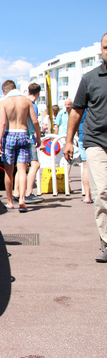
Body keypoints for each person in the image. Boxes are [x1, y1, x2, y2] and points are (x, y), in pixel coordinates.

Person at [64, 32, 107, 263]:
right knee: (102, 192)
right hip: (96, 141)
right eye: (106, 47)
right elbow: (77, 110)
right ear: (101, 50)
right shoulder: (91, 78)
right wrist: (69, 140)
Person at [0, 80, 41, 212]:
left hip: (9, 135)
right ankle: (22, 199)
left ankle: (10, 202)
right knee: (22, 170)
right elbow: (35, 121)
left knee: (9, 171)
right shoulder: (27, 101)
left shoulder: (4, 102)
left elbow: (3, 124)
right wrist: (38, 137)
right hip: (23, 134)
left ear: (6, 90)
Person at [13, 83, 45, 204]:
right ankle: (28, 193)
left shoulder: (22, 103)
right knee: (35, 165)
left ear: (28, 91)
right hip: (29, 138)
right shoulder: (33, 106)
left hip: (20, 136)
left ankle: (16, 193)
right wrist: (38, 138)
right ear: (38, 93)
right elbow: (34, 123)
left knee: (22, 166)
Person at [56, 99, 73, 187]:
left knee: (70, 157)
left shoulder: (73, 113)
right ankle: (61, 175)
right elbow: (57, 126)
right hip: (61, 137)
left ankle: (67, 174)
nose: (67, 106)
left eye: (69, 104)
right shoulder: (61, 113)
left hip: (71, 136)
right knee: (61, 156)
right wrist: (55, 138)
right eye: (66, 104)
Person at [79, 110, 92, 204]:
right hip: (96, 137)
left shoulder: (82, 104)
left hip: (82, 136)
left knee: (86, 167)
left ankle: (87, 196)